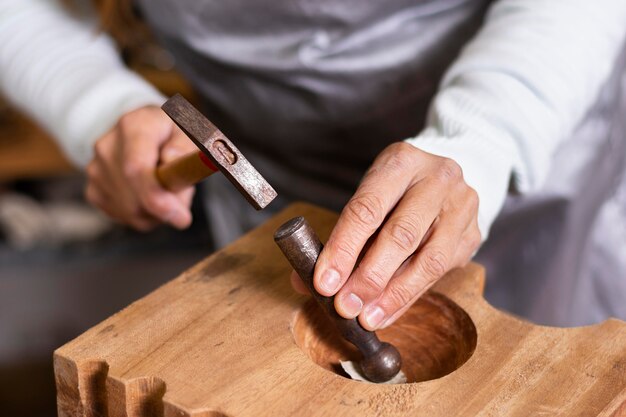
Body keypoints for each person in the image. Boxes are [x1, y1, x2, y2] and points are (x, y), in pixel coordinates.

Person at [1, 0, 625, 329]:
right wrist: (93, 101)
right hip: (274, 169)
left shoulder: (496, 136)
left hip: (520, 154)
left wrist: (485, 135)